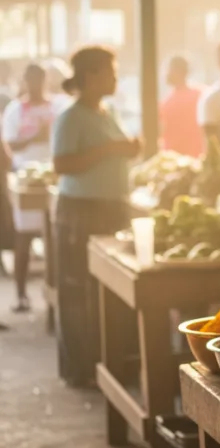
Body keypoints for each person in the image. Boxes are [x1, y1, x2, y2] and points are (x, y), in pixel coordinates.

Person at [51, 47, 140, 387]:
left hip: (112, 208)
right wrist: (111, 149)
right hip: (81, 211)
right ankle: (81, 368)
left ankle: (113, 363)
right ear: (90, 76)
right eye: (110, 73)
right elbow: (62, 164)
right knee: (79, 289)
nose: (115, 79)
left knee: (113, 289)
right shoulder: (71, 117)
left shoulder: (108, 112)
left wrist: (129, 148)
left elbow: (115, 149)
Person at [1, 64, 56, 312]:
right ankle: (21, 294)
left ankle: (53, 294)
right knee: (23, 237)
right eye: (30, 79)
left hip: (52, 177)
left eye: (38, 78)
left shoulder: (56, 107)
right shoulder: (15, 110)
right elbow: (8, 146)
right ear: (25, 80)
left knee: (53, 239)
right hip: (24, 179)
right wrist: (34, 137)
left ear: (45, 79)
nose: (35, 84)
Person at [159, 55, 204, 157]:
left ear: (180, 72)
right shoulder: (202, 94)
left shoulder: (200, 95)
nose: (166, 74)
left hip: (181, 157)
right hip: (177, 158)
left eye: (169, 69)